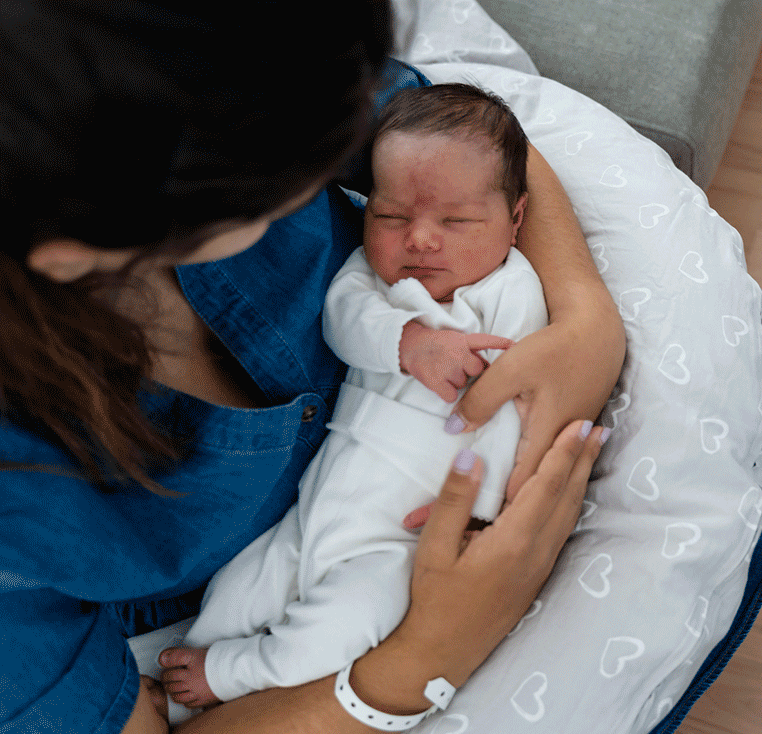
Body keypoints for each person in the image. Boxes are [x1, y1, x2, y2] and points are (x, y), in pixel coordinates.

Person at [0, 3, 624, 733]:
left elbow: (454, 140)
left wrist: (587, 320)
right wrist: (432, 652)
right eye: (284, 178)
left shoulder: (223, 70)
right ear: (76, 246)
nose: (387, 215)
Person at [159, 82, 561, 718]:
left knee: (346, 625)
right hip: (315, 508)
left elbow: (523, 409)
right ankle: (195, 676)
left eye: (456, 221)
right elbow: (342, 320)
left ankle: (241, 672)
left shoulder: (513, 292)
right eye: (391, 216)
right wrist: (410, 342)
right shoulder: (372, 276)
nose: (420, 240)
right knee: (240, 590)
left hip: (397, 539)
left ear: (515, 219)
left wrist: (479, 511)